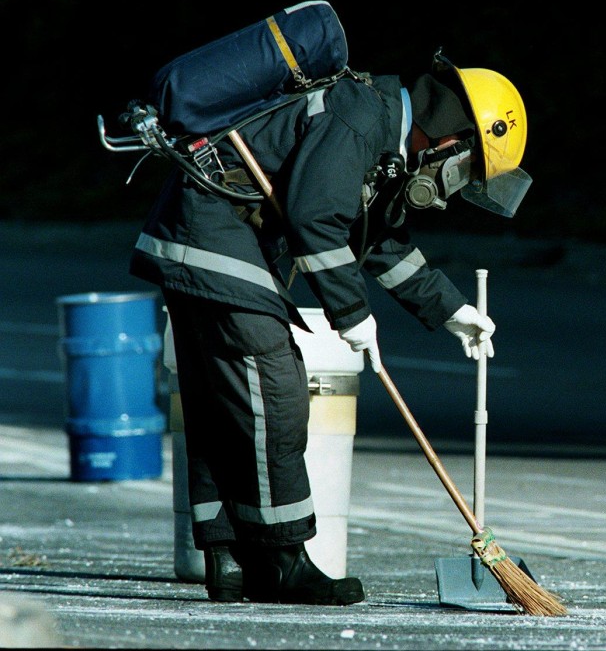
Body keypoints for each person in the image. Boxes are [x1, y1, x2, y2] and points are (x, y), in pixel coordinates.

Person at [128, 48, 531, 604]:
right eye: (465, 171)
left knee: (223, 403)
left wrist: (452, 310)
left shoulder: (381, 134)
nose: (452, 188)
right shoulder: (361, 117)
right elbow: (316, 217)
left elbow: (380, 239)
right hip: (213, 242)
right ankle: (280, 562)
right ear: (448, 138)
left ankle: (229, 557)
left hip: (198, 240)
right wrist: (353, 315)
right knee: (275, 393)